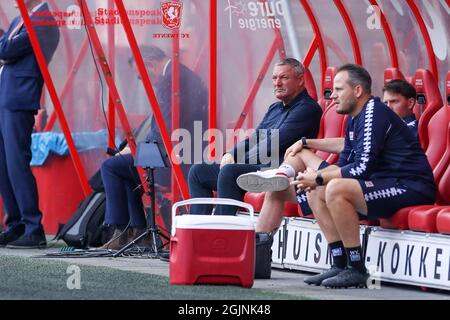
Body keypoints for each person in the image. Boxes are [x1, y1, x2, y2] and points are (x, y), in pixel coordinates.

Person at [238, 64, 436, 288]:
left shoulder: (374, 113)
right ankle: (340, 263)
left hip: (410, 186)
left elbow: (362, 168)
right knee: (317, 187)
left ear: (358, 91)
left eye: (339, 89)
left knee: (331, 186)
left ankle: (356, 268)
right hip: (384, 182)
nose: (333, 95)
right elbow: (346, 162)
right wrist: (315, 179)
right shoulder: (355, 116)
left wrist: (319, 177)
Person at [100, 45, 208, 250]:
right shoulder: (181, 75)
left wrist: (136, 149)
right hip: (184, 153)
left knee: (112, 167)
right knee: (124, 169)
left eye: (141, 76)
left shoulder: (171, 81)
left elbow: (165, 127)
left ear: (149, 65)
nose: (142, 81)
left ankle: (126, 230)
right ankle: (136, 231)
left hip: (175, 159)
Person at [188, 58, 323, 216]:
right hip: (257, 167)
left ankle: (222, 231)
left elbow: (273, 144)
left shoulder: (307, 109)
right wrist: (231, 153)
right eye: (274, 78)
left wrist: (239, 160)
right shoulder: (275, 108)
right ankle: (199, 229)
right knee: (198, 172)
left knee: (230, 172)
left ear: (300, 80)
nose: (277, 83)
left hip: (276, 171)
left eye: (284, 78)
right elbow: (255, 138)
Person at [0, 0, 59, 249]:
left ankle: (33, 227)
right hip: (6, 97)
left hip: (19, 99)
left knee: (17, 163)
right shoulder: (19, 20)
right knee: (4, 165)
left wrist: (4, 43)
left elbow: (6, 50)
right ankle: (16, 224)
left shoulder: (44, 20)